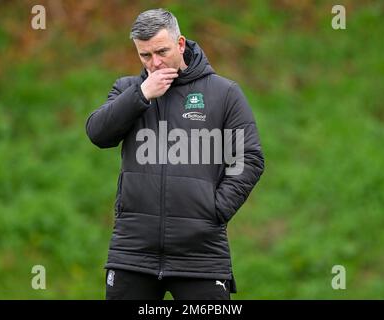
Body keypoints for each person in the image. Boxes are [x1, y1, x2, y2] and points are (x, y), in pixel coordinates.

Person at [85, 8, 265, 300]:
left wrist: (215, 210)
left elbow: (249, 158)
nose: (154, 63)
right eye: (145, 56)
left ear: (180, 44)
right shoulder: (128, 89)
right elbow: (98, 133)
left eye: (162, 51)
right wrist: (141, 95)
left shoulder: (224, 93)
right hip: (133, 253)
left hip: (201, 255)